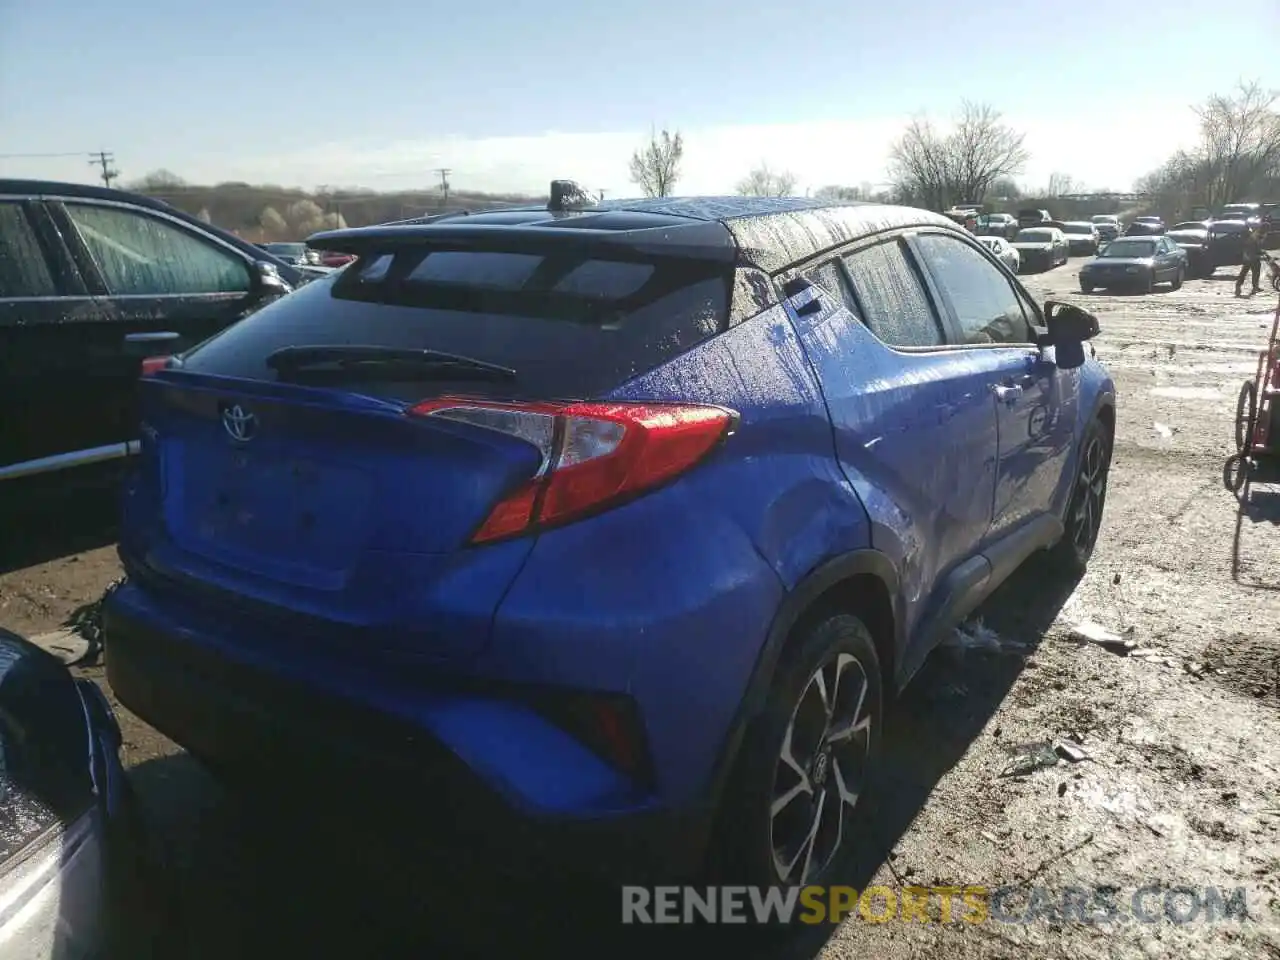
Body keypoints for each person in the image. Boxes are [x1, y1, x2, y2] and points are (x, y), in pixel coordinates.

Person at [1236, 223, 1263, 296]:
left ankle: (1239, 287)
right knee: (1252, 272)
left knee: (1246, 272)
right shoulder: (1249, 236)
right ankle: (1253, 287)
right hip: (1251, 257)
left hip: (1249, 257)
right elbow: (1252, 246)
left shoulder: (1247, 235)